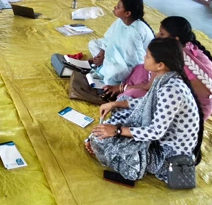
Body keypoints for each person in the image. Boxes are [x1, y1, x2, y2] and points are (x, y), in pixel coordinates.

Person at [85, 38, 204, 183]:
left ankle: (135, 166)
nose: (144, 58)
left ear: (160, 65)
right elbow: (146, 103)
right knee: (119, 115)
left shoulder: (171, 90)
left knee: (103, 141)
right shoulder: (166, 78)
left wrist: (117, 130)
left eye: (147, 56)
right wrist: (116, 104)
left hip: (168, 157)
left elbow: (155, 132)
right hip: (160, 139)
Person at [113, 16, 212, 120]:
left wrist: (121, 88)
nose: (157, 36)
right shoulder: (189, 47)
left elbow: (148, 88)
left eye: (162, 34)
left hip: (191, 113)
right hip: (200, 104)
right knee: (141, 69)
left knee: (131, 94)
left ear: (176, 39)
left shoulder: (172, 59)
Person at [88, 0, 154, 85]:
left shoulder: (136, 31)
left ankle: (104, 70)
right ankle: (103, 66)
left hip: (129, 64)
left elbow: (133, 61)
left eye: (118, 7)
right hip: (116, 53)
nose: (115, 7)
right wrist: (102, 53)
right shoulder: (121, 21)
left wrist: (108, 58)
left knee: (117, 71)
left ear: (127, 13)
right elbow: (108, 39)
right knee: (93, 44)